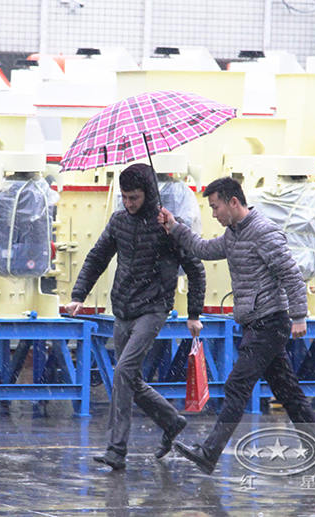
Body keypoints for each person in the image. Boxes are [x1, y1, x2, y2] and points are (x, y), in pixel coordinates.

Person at [158, 176, 315, 475]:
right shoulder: (234, 234)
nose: (214, 214)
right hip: (256, 322)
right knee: (288, 391)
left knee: (237, 385)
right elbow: (203, 249)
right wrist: (174, 226)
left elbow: (291, 274)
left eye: (216, 207)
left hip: (270, 322)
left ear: (234, 202)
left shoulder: (263, 232)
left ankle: (209, 453)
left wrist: (299, 316)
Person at [65, 163, 206, 471]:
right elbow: (97, 257)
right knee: (130, 378)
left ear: (149, 194)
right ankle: (171, 421)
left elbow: (196, 269)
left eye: (135, 198)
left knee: (123, 371)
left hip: (154, 308)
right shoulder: (119, 221)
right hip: (123, 308)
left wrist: (194, 313)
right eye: (125, 197)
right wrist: (78, 295)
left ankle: (116, 450)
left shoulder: (168, 226)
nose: (128, 203)